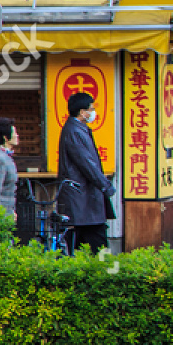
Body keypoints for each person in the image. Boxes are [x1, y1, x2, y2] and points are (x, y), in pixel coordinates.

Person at [58, 91, 115, 253]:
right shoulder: (74, 132)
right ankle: (108, 272)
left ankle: (98, 272)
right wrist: (106, 186)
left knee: (81, 245)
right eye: (91, 109)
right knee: (98, 242)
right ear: (82, 112)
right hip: (83, 201)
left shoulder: (76, 129)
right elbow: (87, 164)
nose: (93, 112)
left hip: (83, 202)